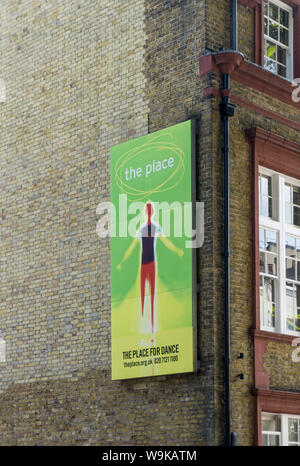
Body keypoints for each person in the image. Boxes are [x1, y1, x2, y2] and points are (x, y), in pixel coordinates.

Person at [117, 202, 183, 334]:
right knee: (142, 295)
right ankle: (143, 325)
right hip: (143, 264)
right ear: (145, 212)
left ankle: (153, 326)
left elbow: (166, 241)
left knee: (152, 294)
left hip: (152, 262)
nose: (148, 212)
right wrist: (123, 261)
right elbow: (132, 246)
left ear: (151, 212)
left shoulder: (155, 226)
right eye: (147, 210)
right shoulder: (141, 228)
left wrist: (176, 250)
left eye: (149, 210)